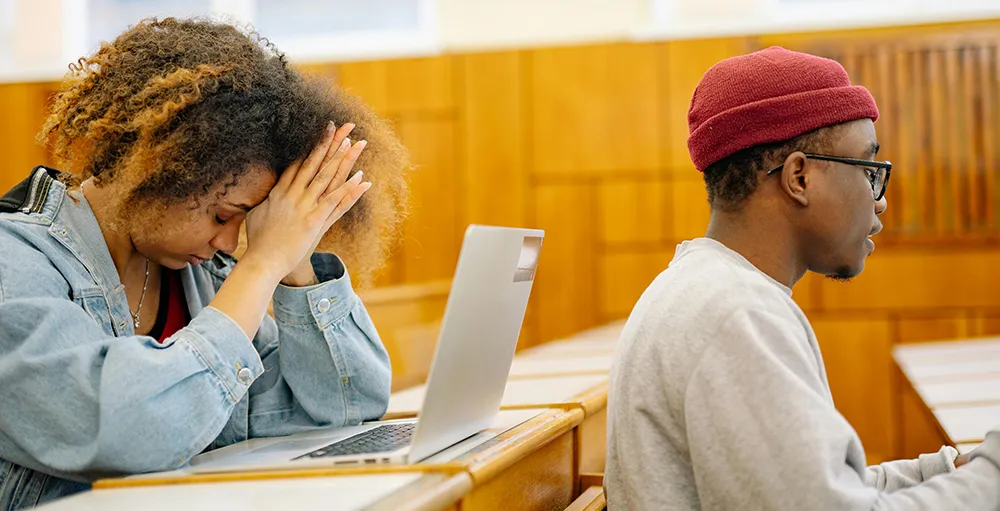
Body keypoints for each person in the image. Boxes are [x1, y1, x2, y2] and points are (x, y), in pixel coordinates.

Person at [0, 17, 409, 510]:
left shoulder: (196, 273)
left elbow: (347, 408)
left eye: (250, 223)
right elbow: (130, 432)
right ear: (159, 170)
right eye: (222, 215)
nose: (231, 242)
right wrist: (261, 266)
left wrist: (294, 260)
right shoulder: (15, 262)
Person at [604, 46, 1000, 510]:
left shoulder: (709, 289)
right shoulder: (735, 315)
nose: (880, 202)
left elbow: (817, 486)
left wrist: (951, 472)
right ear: (800, 177)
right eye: (870, 170)